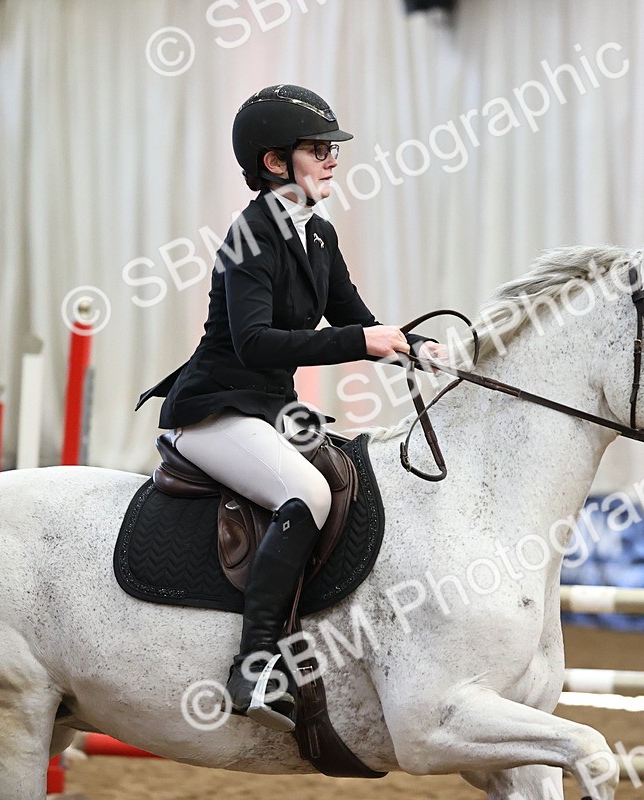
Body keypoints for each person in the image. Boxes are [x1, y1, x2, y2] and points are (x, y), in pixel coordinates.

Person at [137, 84, 443, 732]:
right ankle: (255, 664)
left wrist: (419, 347)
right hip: (213, 409)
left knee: (350, 479)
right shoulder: (250, 236)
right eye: (317, 149)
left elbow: (356, 318)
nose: (333, 158)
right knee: (306, 494)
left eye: (332, 148)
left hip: (266, 410)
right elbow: (254, 343)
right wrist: (361, 343)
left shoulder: (318, 235)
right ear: (276, 163)